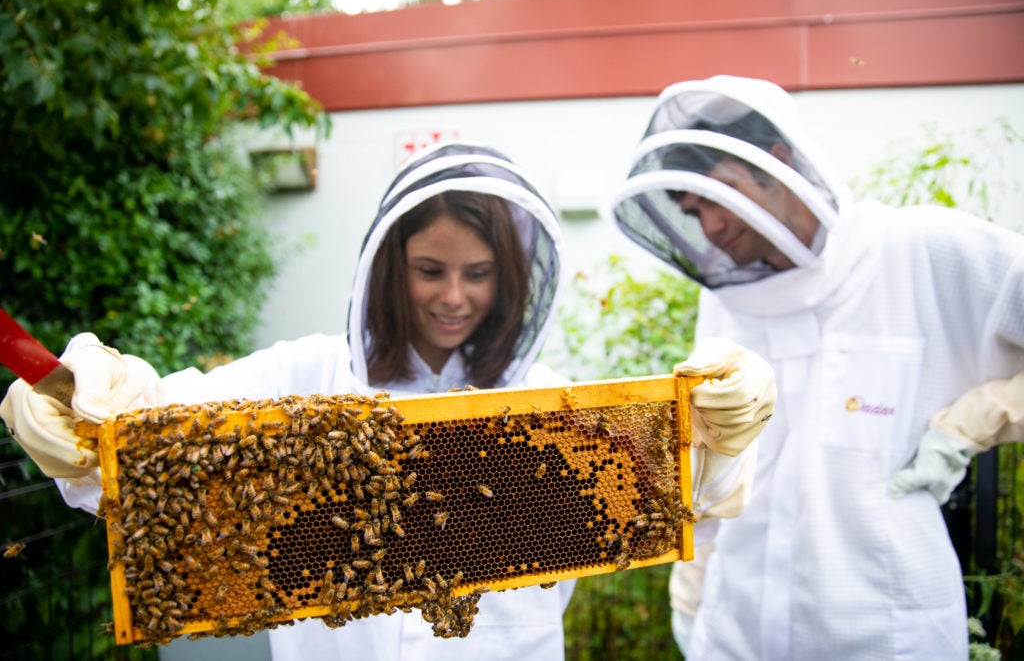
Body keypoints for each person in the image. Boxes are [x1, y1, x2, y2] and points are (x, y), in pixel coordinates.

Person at [1, 140, 776, 660]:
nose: (454, 296)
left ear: (508, 277)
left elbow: (686, 496)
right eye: (429, 268)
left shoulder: (549, 401)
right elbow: (153, 435)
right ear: (387, 266)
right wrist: (89, 415)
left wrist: (717, 431)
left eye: (477, 273)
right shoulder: (308, 376)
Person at [608, 74, 1024, 660]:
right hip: (737, 630)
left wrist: (982, 418)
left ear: (777, 163)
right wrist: (693, 590)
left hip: (889, 633)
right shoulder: (725, 302)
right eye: (693, 209)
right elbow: (712, 457)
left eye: (719, 196)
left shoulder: (921, 251)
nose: (711, 226)